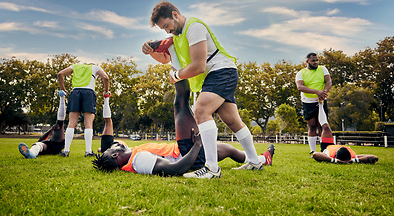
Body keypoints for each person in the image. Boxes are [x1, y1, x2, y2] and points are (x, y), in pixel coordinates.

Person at [142, 0, 264, 179]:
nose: (167, 31)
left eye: (167, 26)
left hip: (222, 71)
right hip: (216, 75)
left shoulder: (194, 27)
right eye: (164, 29)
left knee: (200, 110)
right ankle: (255, 162)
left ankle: (212, 169)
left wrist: (176, 76)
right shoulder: (177, 35)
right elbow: (164, 59)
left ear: (175, 15)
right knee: (232, 121)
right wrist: (149, 50)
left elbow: (198, 66)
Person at [93, 74, 275, 176]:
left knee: (228, 150)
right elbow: (176, 169)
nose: (112, 146)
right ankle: (177, 61)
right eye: (110, 149)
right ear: (116, 154)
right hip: (187, 151)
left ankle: (260, 160)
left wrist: (105, 150)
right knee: (180, 105)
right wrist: (196, 145)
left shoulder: (129, 152)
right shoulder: (139, 161)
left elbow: (113, 142)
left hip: (188, 150)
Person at [57, 63, 109, 157]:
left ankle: (66, 151)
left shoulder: (75, 66)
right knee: (88, 124)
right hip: (89, 94)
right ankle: (88, 151)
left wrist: (63, 89)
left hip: (75, 92)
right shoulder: (95, 67)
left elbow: (60, 74)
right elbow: (106, 78)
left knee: (71, 123)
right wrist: (106, 91)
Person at [295, 52, 334, 154]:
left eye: (317, 60)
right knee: (312, 126)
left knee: (322, 125)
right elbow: (300, 87)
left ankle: (324, 150)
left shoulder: (323, 69)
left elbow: (328, 81)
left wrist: (324, 92)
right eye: (313, 61)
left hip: (321, 101)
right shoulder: (301, 73)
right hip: (308, 102)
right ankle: (312, 150)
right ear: (307, 61)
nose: (316, 62)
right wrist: (317, 92)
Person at [18, 92, 66, 158]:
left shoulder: (45, 142)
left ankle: (32, 153)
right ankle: (32, 153)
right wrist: (51, 130)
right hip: (55, 146)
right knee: (59, 123)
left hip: (52, 146)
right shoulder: (47, 143)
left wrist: (51, 130)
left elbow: (42, 138)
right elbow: (42, 138)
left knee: (38, 144)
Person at [312, 145, 379, 164]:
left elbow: (375, 157)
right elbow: (315, 154)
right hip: (328, 146)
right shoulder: (329, 154)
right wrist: (334, 160)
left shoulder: (351, 154)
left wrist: (354, 160)